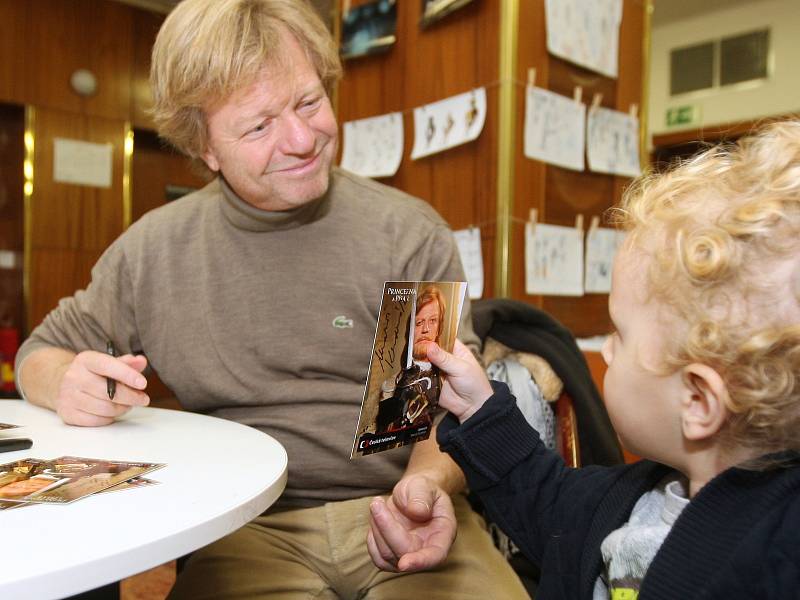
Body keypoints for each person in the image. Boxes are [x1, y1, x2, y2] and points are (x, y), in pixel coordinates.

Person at [14, 0, 528, 597]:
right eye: (259, 126)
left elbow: (439, 405)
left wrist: (424, 491)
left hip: (403, 505)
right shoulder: (155, 252)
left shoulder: (403, 234)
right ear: (205, 147)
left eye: (309, 102)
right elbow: (41, 352)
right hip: (246, 527)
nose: (303, 139)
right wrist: (65, 382)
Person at [368, 121, 800, 598]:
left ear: (698, 400)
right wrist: (478, 410)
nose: (607, 350)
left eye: (620, 334)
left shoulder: (773, 560)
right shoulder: (635, 497)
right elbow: (546, 502)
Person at [376, 285, 445, 432]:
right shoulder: (390, 385)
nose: (425, 329)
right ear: (410, 332)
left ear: (439, 328)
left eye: (433, 321)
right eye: (419, 323)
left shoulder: (448, 381)